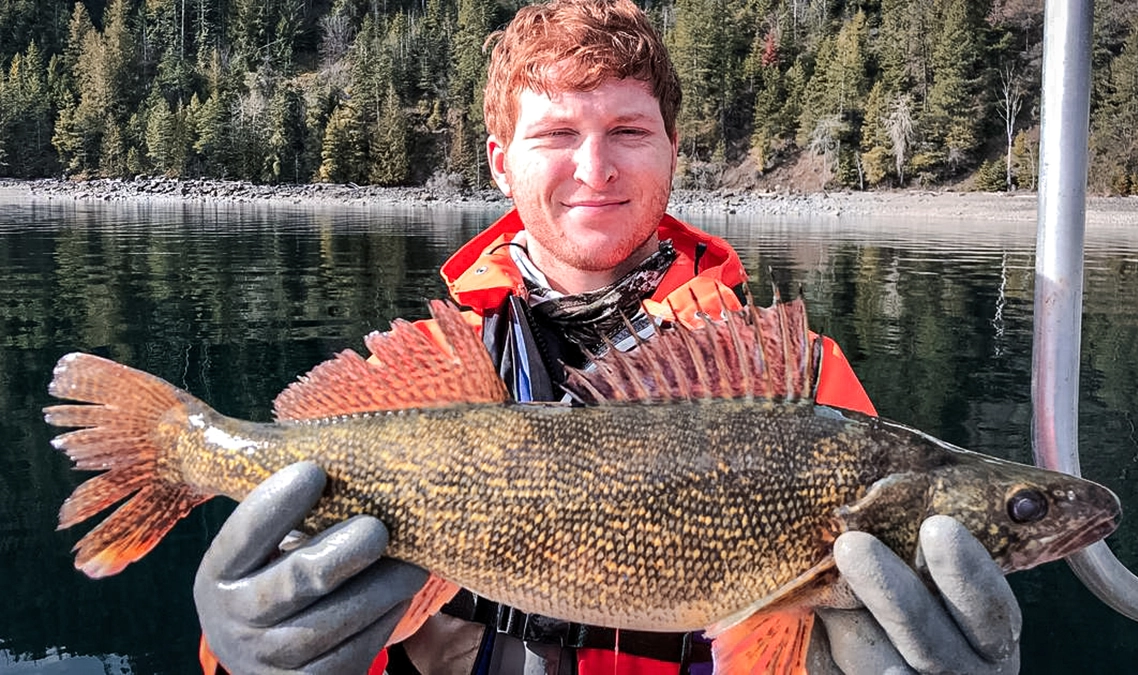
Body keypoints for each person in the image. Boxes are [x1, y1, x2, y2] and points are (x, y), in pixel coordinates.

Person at [193, 1, 1022, 673]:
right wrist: (243, 659)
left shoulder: (800, 379)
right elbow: (317, 610)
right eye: (557, 135)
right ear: (499, 162)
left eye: (628, 131)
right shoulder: (436, 376)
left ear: (671, 150)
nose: (596, 167)